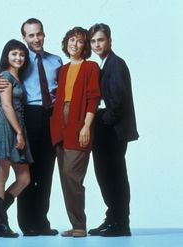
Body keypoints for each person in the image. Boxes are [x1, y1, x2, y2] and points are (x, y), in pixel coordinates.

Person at [0, 18, 62, 236]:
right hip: (27, 116)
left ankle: (41, 222)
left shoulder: (55, 60)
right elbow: (3, 85)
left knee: (46, 172)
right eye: (31, 35)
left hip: (50, 117)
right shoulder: (20, 59)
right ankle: (27, 223)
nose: (36, 38)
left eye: (39, 34)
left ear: (44, 34)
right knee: (27, 171)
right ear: (24, 37)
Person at [88, 23, 139, 237]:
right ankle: (113, 219)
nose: (97, 44)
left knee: (114, 177)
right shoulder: (105, 64)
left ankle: (120, 224)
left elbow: (118, 101)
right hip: (108, 129)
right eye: (93, 41)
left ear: (110, 41)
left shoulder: (115, 64)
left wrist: (102, 122)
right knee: (106, 177)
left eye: (100, 40)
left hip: (112, 131)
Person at [50, 27, 100, 237]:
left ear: (85, 46)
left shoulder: (91, 67)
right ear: (66, 42)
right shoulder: (62, 70)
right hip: (59, 123)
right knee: (64, 177)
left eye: (80, 42)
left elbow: (93, 98)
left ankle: (80, 224)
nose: (75, 44)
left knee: (72, 175)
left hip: (79, 122)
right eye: (72, 40)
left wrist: (86, 126)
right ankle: (76, 224)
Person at [0, 39, 33, 238]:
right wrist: (19, 132)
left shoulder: (16, 76)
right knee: (2, 174)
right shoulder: (4, 76)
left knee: (24, 178)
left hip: (16, 125)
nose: (19, 58)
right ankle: (0, 223)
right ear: (6, 56)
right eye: (14, 54)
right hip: (5, 125)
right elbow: (6, 106)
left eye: (22, 54)